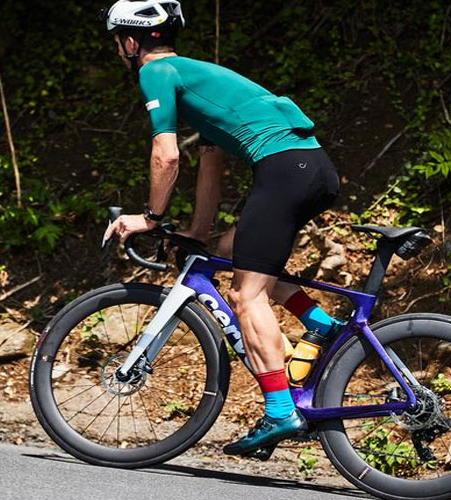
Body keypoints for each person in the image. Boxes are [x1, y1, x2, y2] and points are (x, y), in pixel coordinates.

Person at [101, 0, 341, 456]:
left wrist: (150, 218)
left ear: (131, 42)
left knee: (246, 296)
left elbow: (166, 156)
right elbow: (210, 165)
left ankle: (279, 411)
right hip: (310, 169)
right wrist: (197, 231)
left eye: (117, 43)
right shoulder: (198, 79)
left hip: (285, 169)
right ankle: (320, 324)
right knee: (231, 253)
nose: (118, 52)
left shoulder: (156, 71)